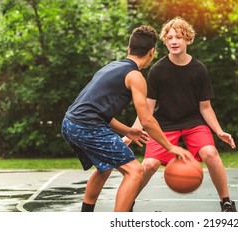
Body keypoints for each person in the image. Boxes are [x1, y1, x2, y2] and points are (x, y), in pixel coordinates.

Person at [61, 25, 192, 212]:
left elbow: (96, 111)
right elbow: (147, 120)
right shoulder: (135, 76)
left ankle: (86, 216)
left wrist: (128, 131)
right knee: (135, 171)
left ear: (129, 49)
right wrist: (170, 147)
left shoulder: (111, 67)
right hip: (86, 126)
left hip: (70, 123)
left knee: (105, 166)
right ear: (151, 52)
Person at [129, 17, 237, 212]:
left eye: (179, 36)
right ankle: (127, 202)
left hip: (193, 122)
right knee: (149, 165)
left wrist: (219, 131)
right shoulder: (157, 70)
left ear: (188, 39)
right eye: (169, 37)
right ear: (165, 41)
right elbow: (148, 107)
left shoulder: (199, 70)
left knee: (211, 153)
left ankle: (226, 201)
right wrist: (133, 131)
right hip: (164, 124)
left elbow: (205, 107)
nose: (174, 41)